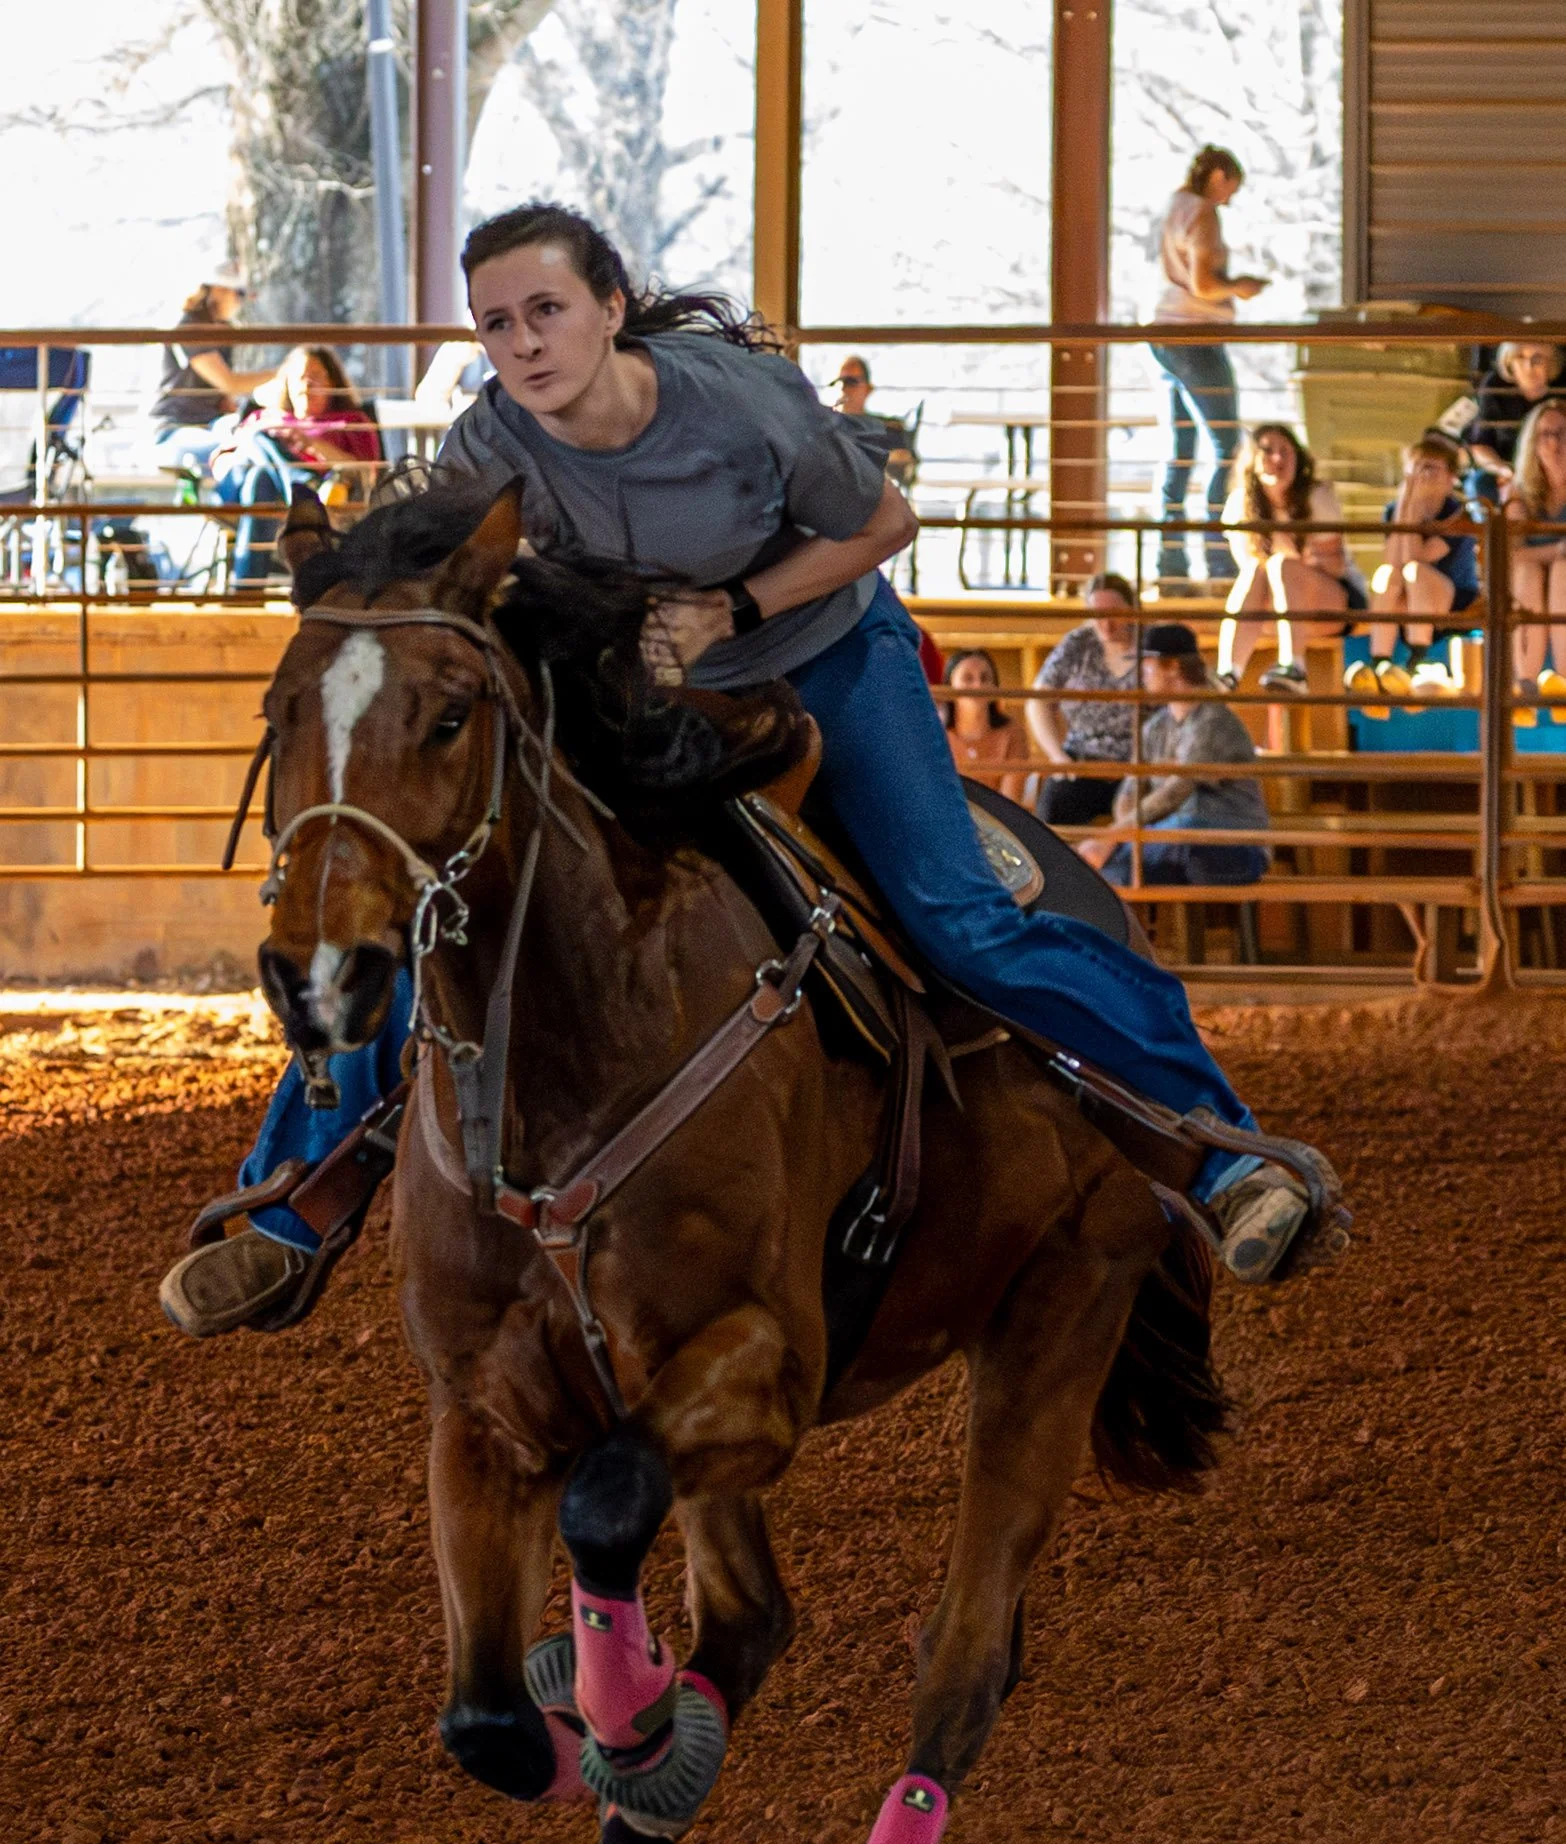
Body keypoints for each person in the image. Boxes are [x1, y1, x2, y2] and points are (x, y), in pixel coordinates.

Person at [161, 200, 1340, 1339]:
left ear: (611, 306)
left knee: (959, 916)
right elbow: (433, 572)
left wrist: (735, 604)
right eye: (497, 324)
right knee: (453, 900)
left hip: (824, 654)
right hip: (637, 689)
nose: (522, 343)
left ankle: (1225, 1148)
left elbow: (884, 525)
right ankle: (295, 1207)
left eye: (547, 310)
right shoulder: (489, 443)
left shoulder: (740, 405)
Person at [1145, 147, 1270, 587]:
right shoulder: (1202, 214)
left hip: (1165, 333)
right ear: (1218, 175)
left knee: (1180, 451)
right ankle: (1220, 557)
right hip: (1196, 336)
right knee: (1228, 448)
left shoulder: (1175, 206)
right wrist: (1241, 287)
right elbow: (1203, 284)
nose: (1230, 199)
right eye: (1230, 187)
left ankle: (1170, 562)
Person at [1086, 623, 1270, 888]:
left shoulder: (1213, 720)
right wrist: (1123, 835)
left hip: (1234, 845)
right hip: (1175, 837)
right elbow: (1129, 793)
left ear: (1172, 666)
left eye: (1147, 664)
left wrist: (1113, 837)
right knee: (1112, 868)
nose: (1141, 673)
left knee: (1183, 830)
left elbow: (1174, 792)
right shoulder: (1155, 726)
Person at [1216, 421, 1368, 694]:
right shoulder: (1239, 504)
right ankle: (1228, 673)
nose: (1278, 458)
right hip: (1274, 610)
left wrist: (1292, 559)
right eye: (1268, 450)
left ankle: (1293, 666)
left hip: (1332, 602)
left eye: (1286, 451)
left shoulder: (1316, 497)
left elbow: (1334, 566)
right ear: (1252, 459)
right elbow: (1247, 567)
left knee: (1280, 564)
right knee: (1257, 570)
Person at [211, 346, 381, 583]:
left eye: (316, 376)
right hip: (247, 491)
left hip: (318, 496)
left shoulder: (350, 421)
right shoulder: (265, 418)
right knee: (258, 440)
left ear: (333, 382)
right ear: (287, 383)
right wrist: (253, 450)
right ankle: (301, 483)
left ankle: (247, 589)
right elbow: (220, 462)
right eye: (300, 377)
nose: (307, 384)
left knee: (260, 480)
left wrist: (309, 443)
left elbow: (366, 472)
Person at [1343, 432, 1479, 706]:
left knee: (1414, 571)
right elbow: (1394, 561)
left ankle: (1419, 655)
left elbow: (1416, 558)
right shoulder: (1395, 510)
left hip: (1448, 600)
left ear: (1450, 476)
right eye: (1417, 467)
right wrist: (1407, 506)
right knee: (1388, 575)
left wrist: (1413, 512)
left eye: (1431, 467)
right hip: (1408, 600)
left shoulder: (1457, 514)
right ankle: (1380, 661)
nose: (1423, 475)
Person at [1027, 573, 1143, 826]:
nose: (1106, 624)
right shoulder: (1079, 643)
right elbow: (1038, 700)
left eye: (1114, 612)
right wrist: (1057, 756)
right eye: (1097, 614)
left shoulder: (1149, 645)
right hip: (1081, 762)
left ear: (1131, 609)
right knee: (1053, 809)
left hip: (1138, 766)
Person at [142, 269, 275, 478]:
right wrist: (284, 373)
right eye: (238, 295)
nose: (240, 303)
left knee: (257, 439)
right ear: (218, 291)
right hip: (173, 428)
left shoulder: (222, 332)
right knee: (233, 452)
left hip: (211, 424)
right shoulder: (190, 329)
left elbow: (225, 396)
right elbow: (229, 383)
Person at [1505, 397, 1566, 702]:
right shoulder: (1521, 491)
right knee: (1528, 572)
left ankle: (1564, 679)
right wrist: (1559, 549)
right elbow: (1513, 555)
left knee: (1562, 573)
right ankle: (1526, 679)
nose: (1555, 443)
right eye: (1546, 435)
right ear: (1533, 443)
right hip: (1530, 584)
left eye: (1562, 433)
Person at [1461, 341, 1566, 503]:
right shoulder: (1495, 386)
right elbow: (1480, 446)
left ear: (1552, 363)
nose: (1528, 366)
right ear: (1509, 362)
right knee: (1478, 484)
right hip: (1508, 470)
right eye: (1520, 357)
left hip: (1556, 469)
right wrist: (1505, 471)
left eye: (1537, 359)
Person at [940, 648, 1035, 805]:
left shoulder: (1013, 733)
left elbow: (1009, 805)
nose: (978, 685)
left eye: (985, 678)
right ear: (949, 687)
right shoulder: (936, 734)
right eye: (967, 678)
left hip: (994, 825)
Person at [832, 355, 915, 486]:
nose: (844, 389)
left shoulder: (888, 430)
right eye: (840, 382)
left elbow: (906, 469)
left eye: (851, 382)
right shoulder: (825, 429)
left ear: (868, 388)